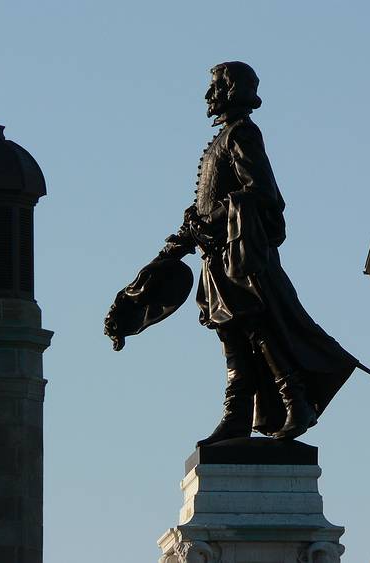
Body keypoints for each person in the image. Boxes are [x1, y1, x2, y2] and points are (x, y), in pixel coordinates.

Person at [152, 61, 358, 445]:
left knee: (256, 329)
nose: (208, 96)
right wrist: (184, 236)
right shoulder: (224, 138)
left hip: (239, 255)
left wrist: (210, 218)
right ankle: (236, 419)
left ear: (231, 90)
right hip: (216, 255)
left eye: (215, 87)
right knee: (233, 335)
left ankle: (296, 402)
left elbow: (262, 192)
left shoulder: (242, 134)